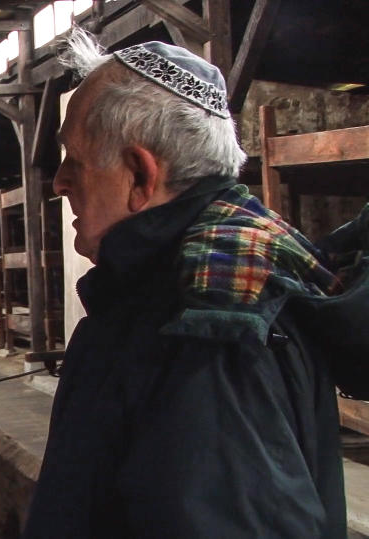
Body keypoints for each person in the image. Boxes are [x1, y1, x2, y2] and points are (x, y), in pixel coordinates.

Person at [23, 29, 369, 538]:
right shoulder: (171, 290)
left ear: (140, 175)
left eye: (74, 158)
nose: (60, 182)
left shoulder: (203, 325)